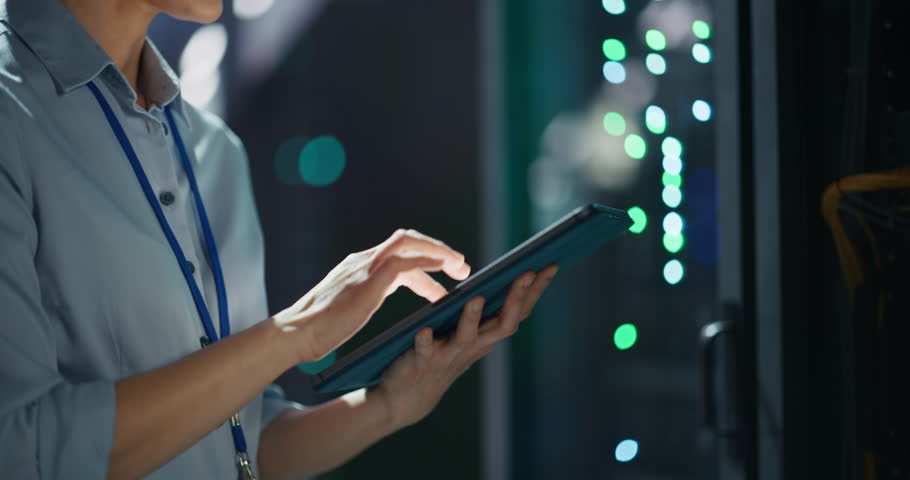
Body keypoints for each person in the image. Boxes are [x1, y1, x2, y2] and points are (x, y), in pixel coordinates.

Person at [0, 0, 558, 479]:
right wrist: (296, 332)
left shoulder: (213, 150)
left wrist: (386, 406)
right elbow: (20, 449)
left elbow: (244, 443)